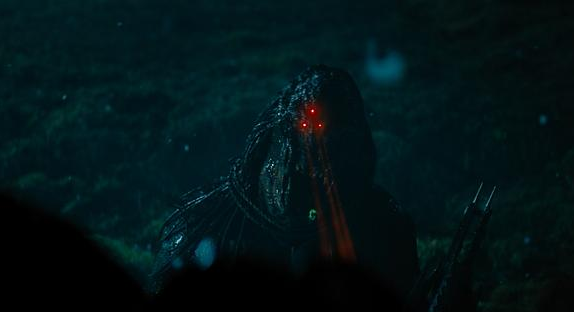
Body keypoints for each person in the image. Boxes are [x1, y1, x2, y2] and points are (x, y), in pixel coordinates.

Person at [151, 65, 418, 296]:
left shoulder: (385, 228)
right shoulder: (203, 227)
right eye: (311, 129)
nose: (324, 150)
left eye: (340, 140)